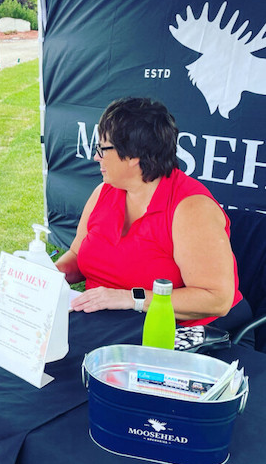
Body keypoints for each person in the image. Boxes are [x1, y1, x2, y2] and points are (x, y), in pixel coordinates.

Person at [55, 96, 248, 330]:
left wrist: (129, 298)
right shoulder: (103, 192)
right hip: (110, 324)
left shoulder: (191, 208)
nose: (96, 156)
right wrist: (46, 275)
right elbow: (77, 255)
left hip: (185, 332)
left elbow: (217, 299)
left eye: (103, 149)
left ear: (134, 156)